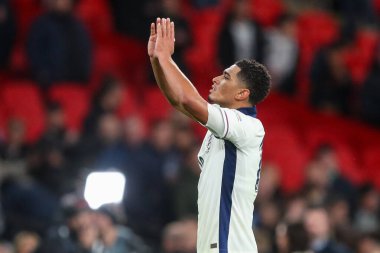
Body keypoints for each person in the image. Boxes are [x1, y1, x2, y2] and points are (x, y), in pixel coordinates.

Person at [148, 17, 271, 253]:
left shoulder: (248, 126)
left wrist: (167, 59)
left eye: (225, 77)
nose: (215, 79)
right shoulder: (224, 128)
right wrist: (157, 61)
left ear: (242, 93)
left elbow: (187, 99)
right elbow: (178, 102)